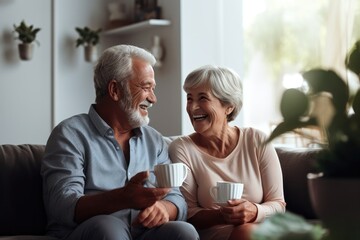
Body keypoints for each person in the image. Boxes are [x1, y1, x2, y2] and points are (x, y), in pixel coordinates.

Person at [41, 45, 199, 240]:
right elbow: (62, 205)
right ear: (115, 90)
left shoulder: (155, 140)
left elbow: (176, 197)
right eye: (145, 87)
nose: (153, 98)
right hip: (91, 232)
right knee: (107, 227)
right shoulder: (69, 135)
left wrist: (165, 208)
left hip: (142, 234)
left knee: (184, 232)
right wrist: (122, 198)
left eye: (153, 89)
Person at [169, 65, 286, 240]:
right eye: (189, 98)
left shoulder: (257, 140)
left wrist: (255, 211)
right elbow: (188, 213)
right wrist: (222, 215)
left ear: (228, 106)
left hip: (259, 232)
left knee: (248, 232)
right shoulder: (182, 148)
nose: (192, 107)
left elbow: (278, 204)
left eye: (202, 98)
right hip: (215, 234)